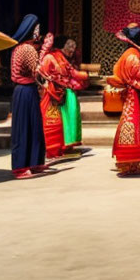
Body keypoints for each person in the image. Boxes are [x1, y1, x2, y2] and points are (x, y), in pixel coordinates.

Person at [108, 24, 140, 176]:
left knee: (131, 122)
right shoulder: (132, 55)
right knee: (133, 123)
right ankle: (129, 158)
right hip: (134, 95)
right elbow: (132, 80)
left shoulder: (130, 53)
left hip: (132, 94)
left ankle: (132, 160)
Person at [9, 14, 48, 179]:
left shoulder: (20, 47)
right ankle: (21, 166)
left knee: (33, 127)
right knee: (26, 128)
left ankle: (34, 162)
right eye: (37, 29)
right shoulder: (28, 49)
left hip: (24, 90)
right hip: (26, 91)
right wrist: (45, 51)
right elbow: (37, 70)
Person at [38, 35, 88, 159]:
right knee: (58, 120)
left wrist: (85, 76)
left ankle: (68, 146)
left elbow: (72, 73)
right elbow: (41, 72)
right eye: (70, 44)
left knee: (71, 118)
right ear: (62, 45)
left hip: (67, 91)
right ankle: (58, 146)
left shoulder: (63, 59)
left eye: (74, 46)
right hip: (55, 93)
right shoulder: (51, 57)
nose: (73, 48)